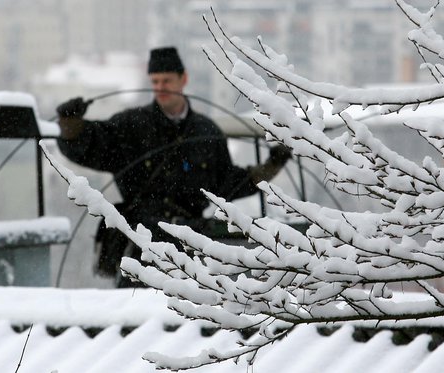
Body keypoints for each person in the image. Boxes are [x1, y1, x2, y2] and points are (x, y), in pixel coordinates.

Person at [56, 47, 291, 287]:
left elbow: (225, 183)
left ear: (183, 79)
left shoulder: (206, 131)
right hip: (141, 243)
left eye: (166, 80)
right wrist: (70, 124)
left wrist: (271, 166)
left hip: (192, 242)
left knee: (195, 307)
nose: (160, 86)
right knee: (136, 311)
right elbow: (89, 146)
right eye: (155, 81)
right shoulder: (131, 126)